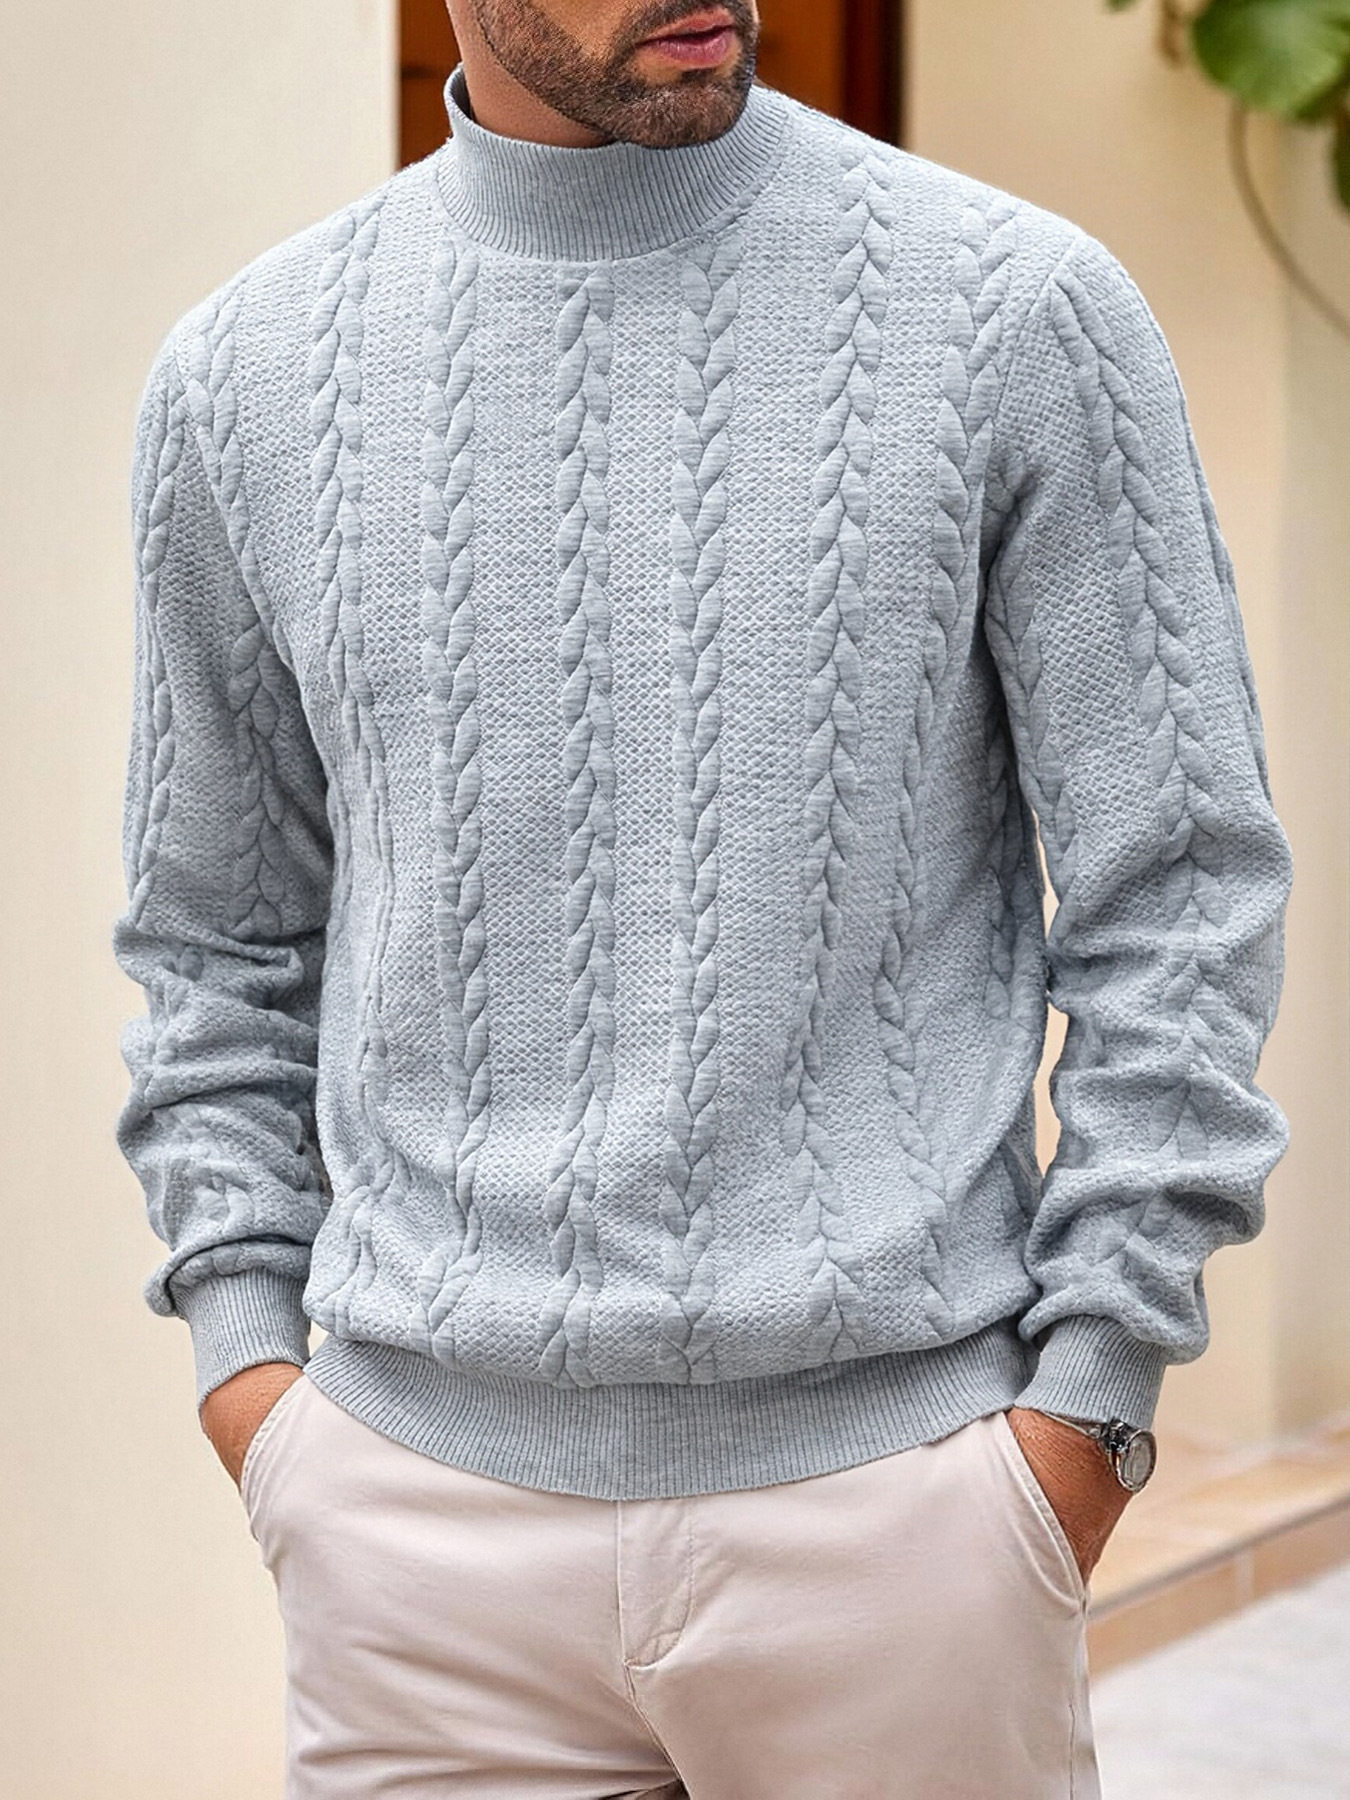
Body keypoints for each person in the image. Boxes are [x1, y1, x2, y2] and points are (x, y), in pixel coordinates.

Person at [110, 1, 1292, 1794]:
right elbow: (215, 935)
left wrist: (1087, 1410)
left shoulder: (1013, 309)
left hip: (903, 1518)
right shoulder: (246, 375)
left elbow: (1179, 889)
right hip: (412, 1535)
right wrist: (253, 1380)